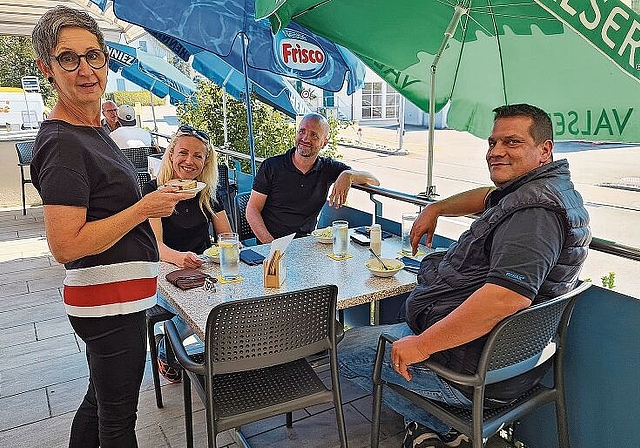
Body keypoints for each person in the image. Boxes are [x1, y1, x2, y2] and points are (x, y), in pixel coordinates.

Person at [338, 103, 591, 448]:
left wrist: (422, 345)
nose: (496, 152)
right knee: (388, 329)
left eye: (512, 143)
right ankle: (434, 422)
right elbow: (488, 197)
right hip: (506, 355)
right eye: (492, 143)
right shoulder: (542, 190)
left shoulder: (534, 214)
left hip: (477, 369)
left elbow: (505, 299)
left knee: (346, 352)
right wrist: (436, 207)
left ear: (544, 150)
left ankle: (447, 426)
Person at [30, 7, 194, 447]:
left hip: (117, 298)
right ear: (47, 68)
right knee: (119, 422)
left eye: (94, 56)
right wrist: (143, 209)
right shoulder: (63, 142)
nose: (85, 70)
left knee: (99, 402)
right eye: (69, 58)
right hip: (108, 303)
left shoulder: (92, 129)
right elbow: (66, 246)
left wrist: (150, 208)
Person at [142, 125, 232, 382]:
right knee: (204, 307)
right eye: (183, 153)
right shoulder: (153, 191)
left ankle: (213, 355)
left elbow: (227, 236)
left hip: (202, 271)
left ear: (206, 162)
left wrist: (230, 249)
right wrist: (180, 258)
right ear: (171, 155)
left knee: (230, 301)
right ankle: (166, 351)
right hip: (161, 273)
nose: (189, 161)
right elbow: (155, 245)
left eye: (197, 156)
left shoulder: (207, 193)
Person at [246, 113, 380, 243]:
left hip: (307, 244)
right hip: (270, 244)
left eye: (314, 135)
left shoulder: (328, 168)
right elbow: (252, 209)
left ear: (324, 142)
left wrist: (348, 174)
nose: (305, 138)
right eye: (302, 131)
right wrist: (272, 245)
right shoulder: (272, 166)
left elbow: (374, 181)